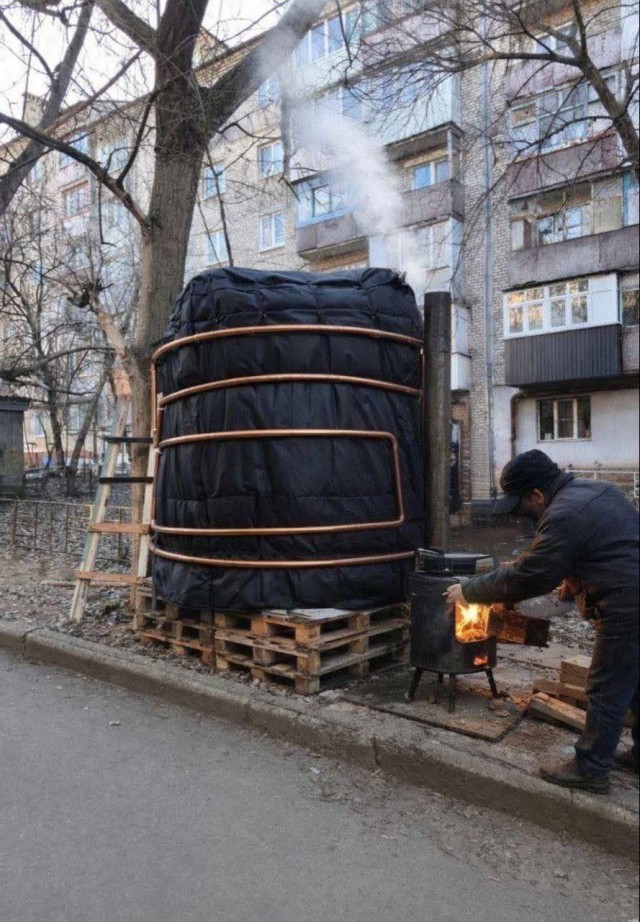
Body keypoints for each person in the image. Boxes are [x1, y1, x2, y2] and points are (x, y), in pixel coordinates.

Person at [445, 450, 639, 795]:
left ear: (537, 494)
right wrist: (575, 579)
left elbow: (530, 575)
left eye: (522, 508)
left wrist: (470, 592)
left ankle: (590, 768)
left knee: (606, 686)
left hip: (629, 606)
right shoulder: (599, 491)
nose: (523, 518)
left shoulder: (564, 514)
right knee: (635, 680)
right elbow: (610, 549)